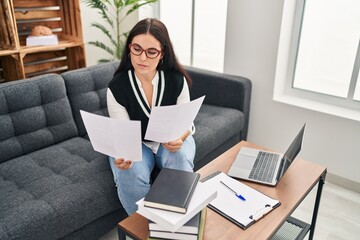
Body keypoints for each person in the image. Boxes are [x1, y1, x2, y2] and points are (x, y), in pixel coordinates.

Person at [106, 18, 196, 215]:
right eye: (136, 49)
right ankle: (147, 228)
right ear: (129, 48)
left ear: (162, 53)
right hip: (135, 142)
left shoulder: (176, 80)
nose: (142, 58)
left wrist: (179, 139)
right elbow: (123, 134)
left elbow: (186, 122)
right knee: (129, 170)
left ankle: (176, 220)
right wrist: (124, 155)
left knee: (180, 157)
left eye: (151, 52)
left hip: (170, 140)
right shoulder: (117, 87)